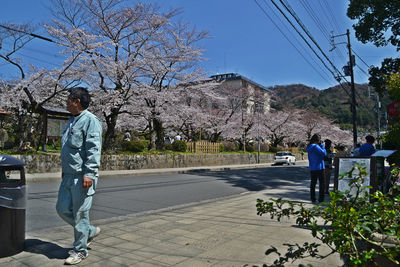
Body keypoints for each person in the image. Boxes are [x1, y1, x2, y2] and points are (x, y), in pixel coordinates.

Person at [56, 87, 102, 265]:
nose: (66, 102)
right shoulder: (72, 120)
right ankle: (89, 231)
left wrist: (89, 173)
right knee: (62, 209)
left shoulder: (90, 121)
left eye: (68, 99)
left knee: (80, 214)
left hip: (82, 175)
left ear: (76, 101)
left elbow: (93, 149)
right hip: (68, 175)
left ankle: (80, 250)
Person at [306, 134, 326, 203]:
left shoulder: (309, 146)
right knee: (322, 183)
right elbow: (323, 153)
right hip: (319, 167)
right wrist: (323, 146)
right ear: (318, 139)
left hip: (312, 167)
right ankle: (321, 198)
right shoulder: (316, 146)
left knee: (313, 183)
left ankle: (313, 198)